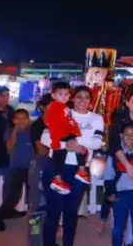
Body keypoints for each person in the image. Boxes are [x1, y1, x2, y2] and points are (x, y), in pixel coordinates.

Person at [41, 85, 103, 246]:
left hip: (79, 171)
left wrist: (75, 141)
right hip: (57, 168)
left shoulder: (96, 118)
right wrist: (65, 145)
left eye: (86, 97)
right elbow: (45, 138)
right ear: (72, 98)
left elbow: (97, 143)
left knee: (70, 212)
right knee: (54, 211)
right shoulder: (61, 111)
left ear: (91, 101)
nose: (82, 100)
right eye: (79, 96)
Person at [44, 81, 89, 194]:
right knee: (59, 156)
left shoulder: (64, 107)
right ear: (53, 95)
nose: (64, 96)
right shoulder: (54, 107)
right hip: (61, 135)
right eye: (61, 94)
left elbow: (69, 120)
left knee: (81, 150)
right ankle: (58, 179)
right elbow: (51, 123)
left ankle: (81, 171)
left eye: (66, 94)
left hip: (66, 133)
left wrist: (74, 129)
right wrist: (56, 140)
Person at [103, 123, 133, 246]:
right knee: (117, 229)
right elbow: (109, 175)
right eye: (127, 135)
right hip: (120, 194)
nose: (130, 138)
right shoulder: (116, 154)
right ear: (122, 136)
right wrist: (110, 192)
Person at [0, 108, 32, 221]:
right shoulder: (9, 131)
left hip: (31, 167)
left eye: (24, 118)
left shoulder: (32, 131)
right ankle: (2, 213)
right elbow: (10, 148)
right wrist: (15, 131)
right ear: (14, 120)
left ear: (28, 119)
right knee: (15, 191)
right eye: (18, 118)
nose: (21, 121)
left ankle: (34, 212)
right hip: (17, 166)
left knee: (32, 190)